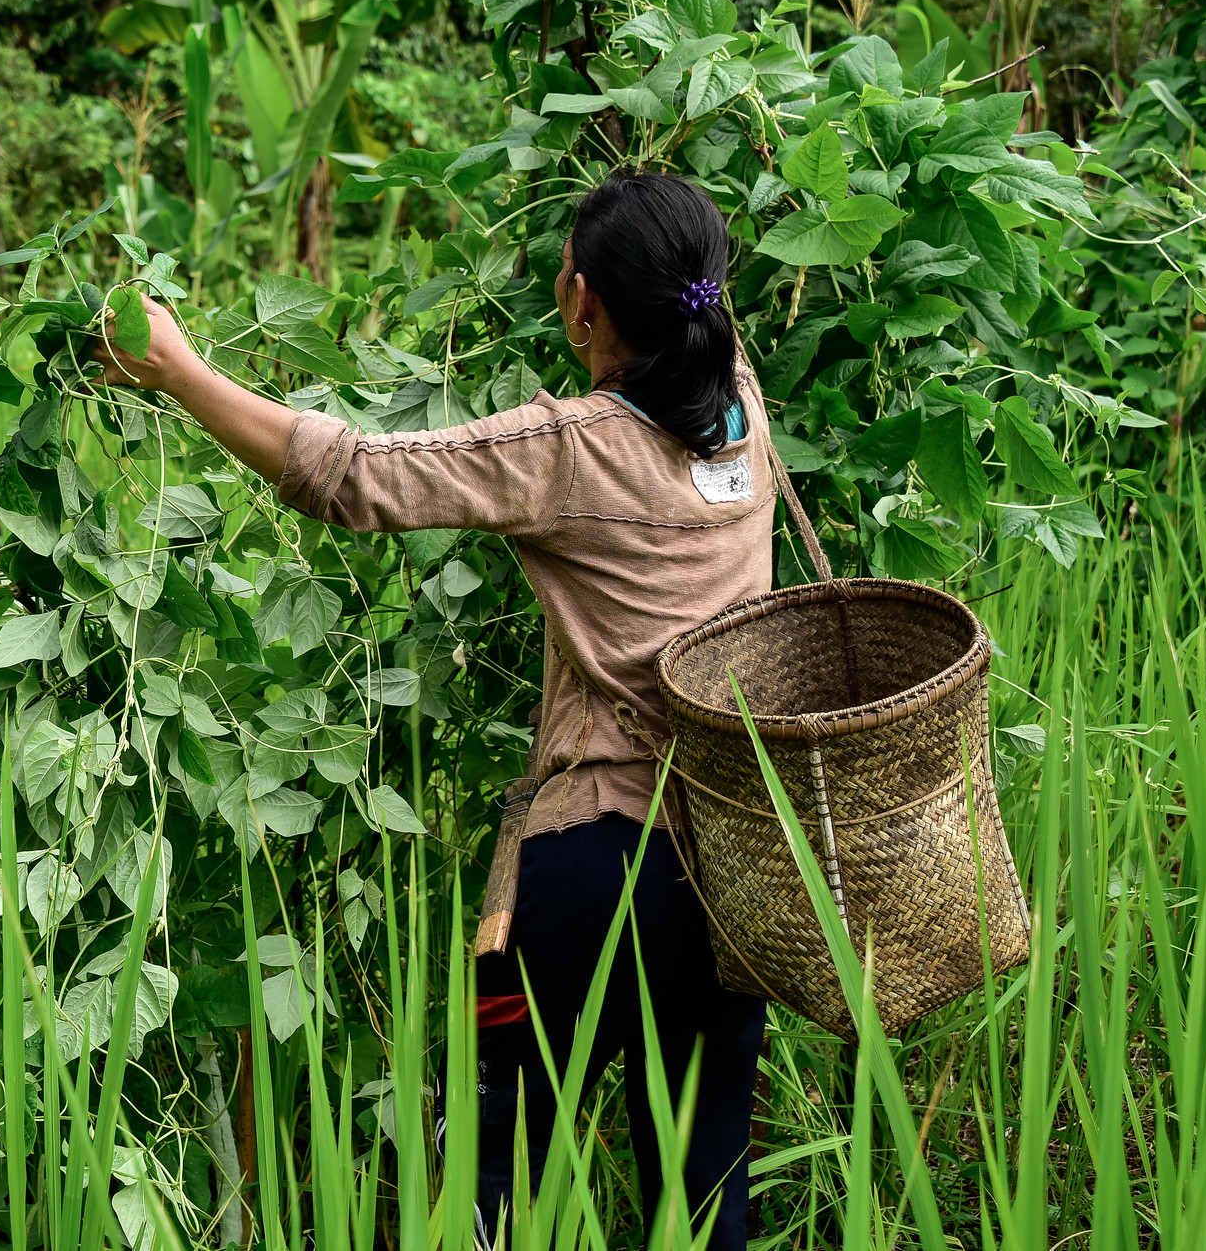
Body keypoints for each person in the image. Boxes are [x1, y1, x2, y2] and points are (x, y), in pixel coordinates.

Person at [97, 171, 771, 1249]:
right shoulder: (740, 403)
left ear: (580, 301)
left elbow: (355, 476)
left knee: (492, 1180)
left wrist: (176, 367)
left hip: (591, 870)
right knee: (701, 1203)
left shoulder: (569, 446)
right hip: (731, 876)